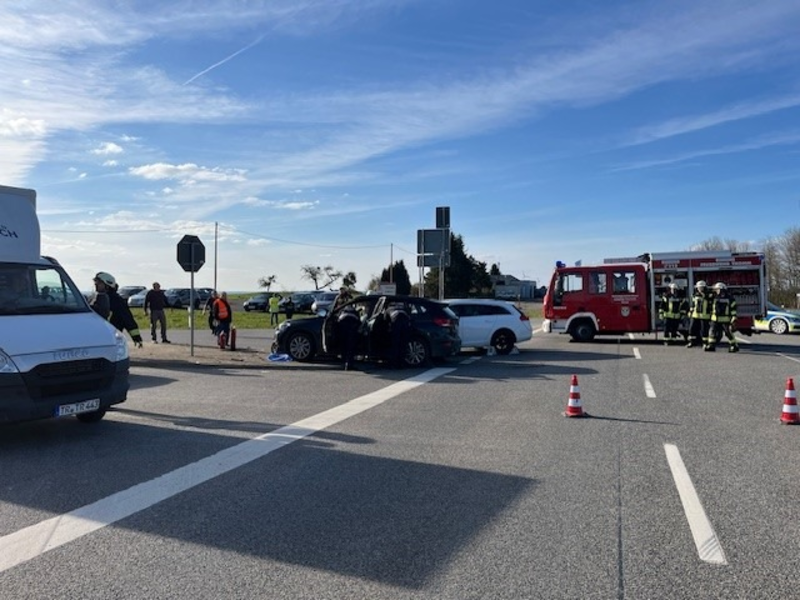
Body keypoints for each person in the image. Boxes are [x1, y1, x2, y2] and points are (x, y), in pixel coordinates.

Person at [93, 272, 143, 348]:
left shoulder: (117, 300)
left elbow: (127, 319)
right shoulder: (96, 298)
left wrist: (136, 337)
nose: (96, 284)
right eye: (95, 282)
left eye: (99, 282)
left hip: (110, 337)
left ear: (107, 284)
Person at [705, 282, 739, 353]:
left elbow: (733, 309)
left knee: (728, 333)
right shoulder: (714, 297)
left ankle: (734, 345)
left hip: (725, 319)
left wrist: (733, 317)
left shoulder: (730, 298)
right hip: (715, 319)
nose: (716, 291)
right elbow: (706, 297)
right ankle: (711, 345)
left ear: (721, 289)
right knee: (712, 332)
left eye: (717, 289)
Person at [686, 280, 713, 348]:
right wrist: (690, 312)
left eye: (701, 287)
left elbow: (711, 304)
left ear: (704, 287)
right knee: (692, 329)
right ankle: (692, 342)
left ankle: (705, 343)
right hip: (695, 316)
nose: (700, 289)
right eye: (699, 287)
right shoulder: (695, 295)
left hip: (705, 316)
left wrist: (704, 295)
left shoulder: (709, 295)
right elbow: (693, 305)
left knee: (704, 330)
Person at [336, 304, 361, 370]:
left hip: (343, 328)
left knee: (344, 346)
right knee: (350, 347)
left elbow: (337, 320)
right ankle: (349, 364)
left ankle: (344, 362)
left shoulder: (342, 311)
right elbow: (359, 322)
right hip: (351, 329)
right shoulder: (355, 312)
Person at [387, 302, 411, 368]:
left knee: (395, 344)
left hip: (396, 322)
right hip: (405, 321)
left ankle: (394, 363)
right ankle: (402, 363)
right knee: (403, 343)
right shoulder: (403, 308)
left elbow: (385, 320)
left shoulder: (388, 309)